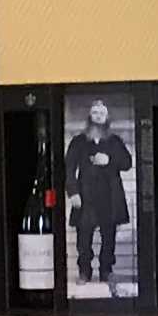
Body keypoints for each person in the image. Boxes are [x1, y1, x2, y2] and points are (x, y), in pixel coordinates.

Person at [66, 100, 134, 294]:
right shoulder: (79, 141)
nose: (97, 117)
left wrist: (109, 160)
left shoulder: (114, 141)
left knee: (108, 236)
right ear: (90, 116)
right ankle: (84, 271)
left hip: (109, 197)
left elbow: (127, 163)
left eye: (101, 113)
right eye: (94, 113)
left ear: (106, 118)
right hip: (85, 197)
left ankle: (106, 271)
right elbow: (69, 169)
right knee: (83, 237)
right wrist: (73, 192)